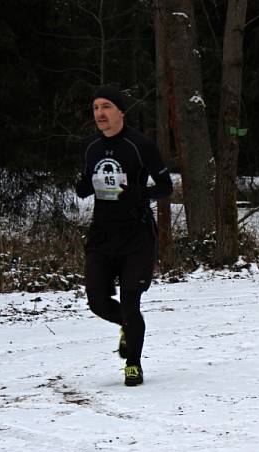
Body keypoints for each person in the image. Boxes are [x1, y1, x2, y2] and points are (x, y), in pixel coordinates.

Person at [75, 85, 173, 386]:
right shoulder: (91, 146)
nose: (100, 114)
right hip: (102, 234)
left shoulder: (139, 144)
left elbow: (166, 187)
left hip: (135, 235)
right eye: (95, 108)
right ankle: (127, 327)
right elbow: (83, 187)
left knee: (131, 304)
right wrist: (84, 183)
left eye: (106, 107)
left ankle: (133, 364)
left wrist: (139, 193)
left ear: (120, 112)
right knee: (97, 302)